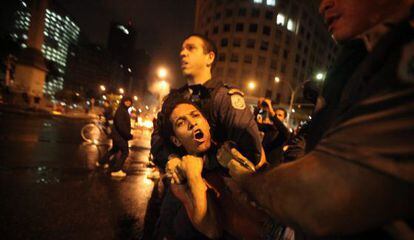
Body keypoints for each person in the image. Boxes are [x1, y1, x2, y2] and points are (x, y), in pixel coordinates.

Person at [221, 0, 414, 238]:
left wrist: (247, 181)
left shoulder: (403, 51)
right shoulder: (363, 55)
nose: (323, 6)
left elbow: (321, 196)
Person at [159, 94, 285, 240]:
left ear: (206, 123)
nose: (192, 123)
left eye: (195, 115)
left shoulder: (236, 148)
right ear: (176, 140)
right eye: (181, 123)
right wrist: (194, 177)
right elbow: (212, 230)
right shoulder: (182, 177)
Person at [151, 34, 264, 171]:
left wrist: (204, 162)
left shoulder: (224, 97)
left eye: (191, 48)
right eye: (182, 49)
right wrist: (171, 158)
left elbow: (251, 149)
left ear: (210, 57)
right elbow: (157, 140)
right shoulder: (174, 98)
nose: (183, 53)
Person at [99, 96, 133, 177]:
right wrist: (128, 135)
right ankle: (116, 170)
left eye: (130, 101)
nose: (128, 103)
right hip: (120, 136)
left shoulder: (123, 110)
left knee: (114, 150)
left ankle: (101, 162)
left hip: (118, 135)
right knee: (125, 152)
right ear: (123, 101)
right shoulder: (121, 110)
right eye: (126, 101)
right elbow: (120, 125)